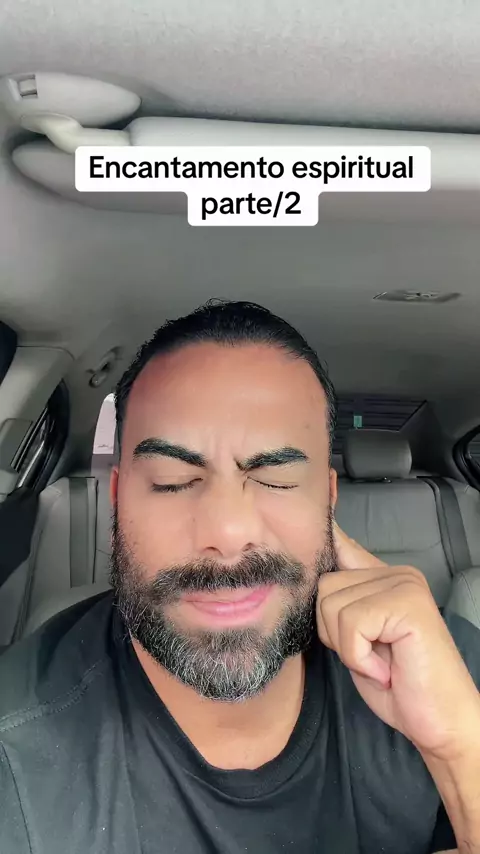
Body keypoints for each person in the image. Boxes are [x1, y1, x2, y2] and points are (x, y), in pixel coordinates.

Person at [0, 299, 479, 854]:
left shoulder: (446, 669)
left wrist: (460, 749)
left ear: (327, 501)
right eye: (172, 480)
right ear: (118, 499)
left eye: (277, 479)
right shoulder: (17, 743)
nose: (228, 532)